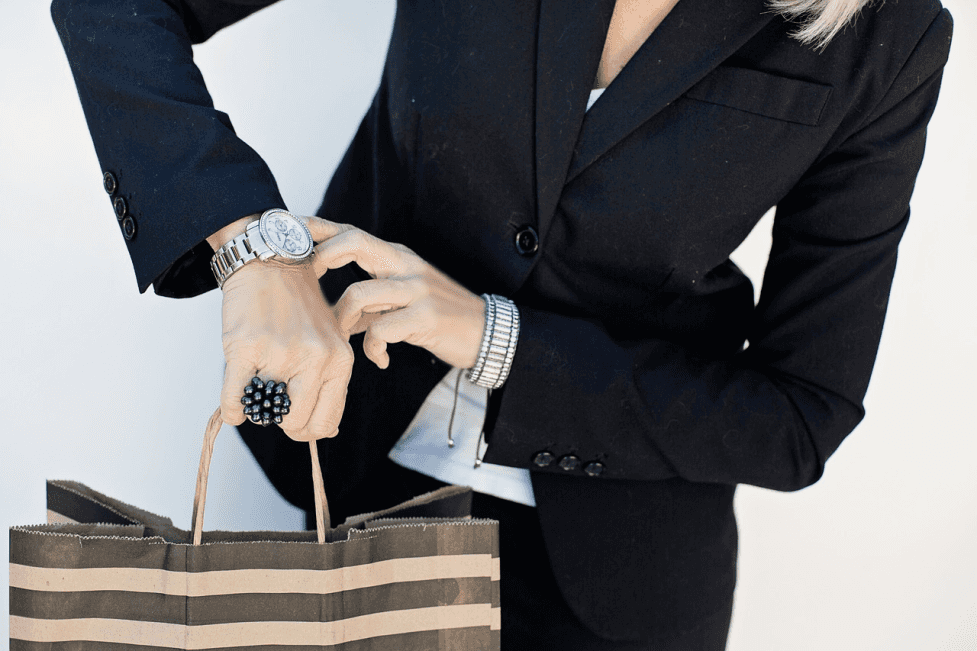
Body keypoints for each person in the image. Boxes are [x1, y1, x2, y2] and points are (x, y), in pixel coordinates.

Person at [52, 0, 953, 647]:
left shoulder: (892, 33)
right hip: (359, 494)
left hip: (617, 585)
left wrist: (496, 339)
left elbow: (798, 416)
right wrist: (252, 245)